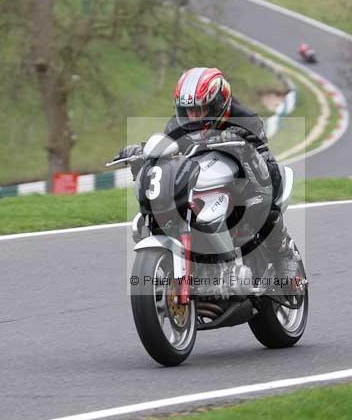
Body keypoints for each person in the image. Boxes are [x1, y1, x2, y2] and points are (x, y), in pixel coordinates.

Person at [117, 67, 299, 283]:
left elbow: (264, 162)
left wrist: (242, 143)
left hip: (243, 179)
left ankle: (284, 252)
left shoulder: (246, 119)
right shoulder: (178, 123)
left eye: (201, 109)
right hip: (204, 176)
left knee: (261, 200)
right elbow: (169, 146)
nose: (193, 116)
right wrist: (143, 150)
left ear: (218, 104)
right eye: (188, 110)